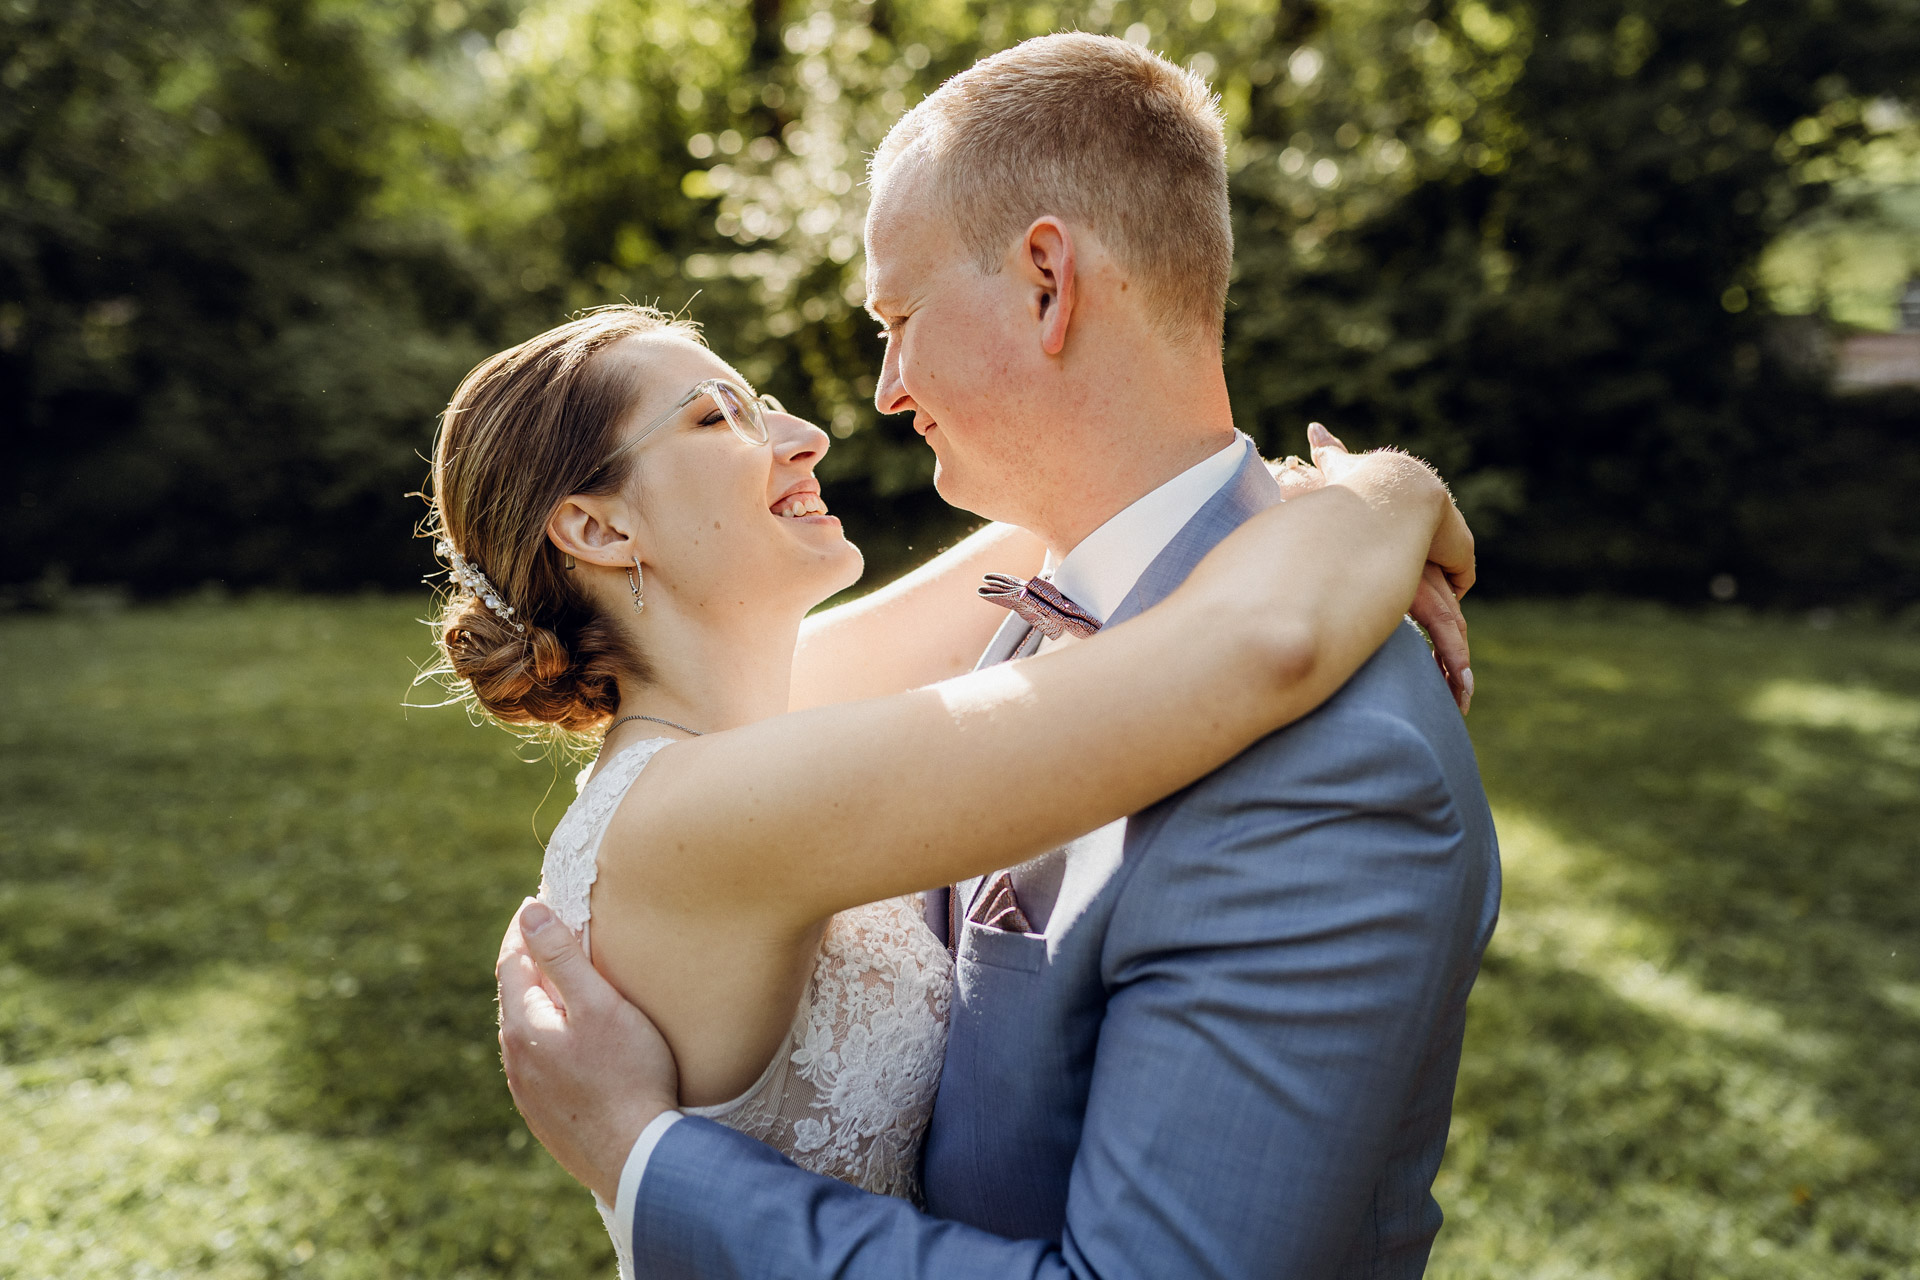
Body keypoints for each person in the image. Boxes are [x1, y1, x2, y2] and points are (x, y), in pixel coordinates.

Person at [492, 32, 1499, 1280]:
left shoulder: (1336, 770)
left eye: (899, 317)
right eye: (720, 414)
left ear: (1046, 282)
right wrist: (1389, 494)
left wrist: (646, 1157)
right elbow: (1243, 610)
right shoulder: (1016, 617)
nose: (875, 396)